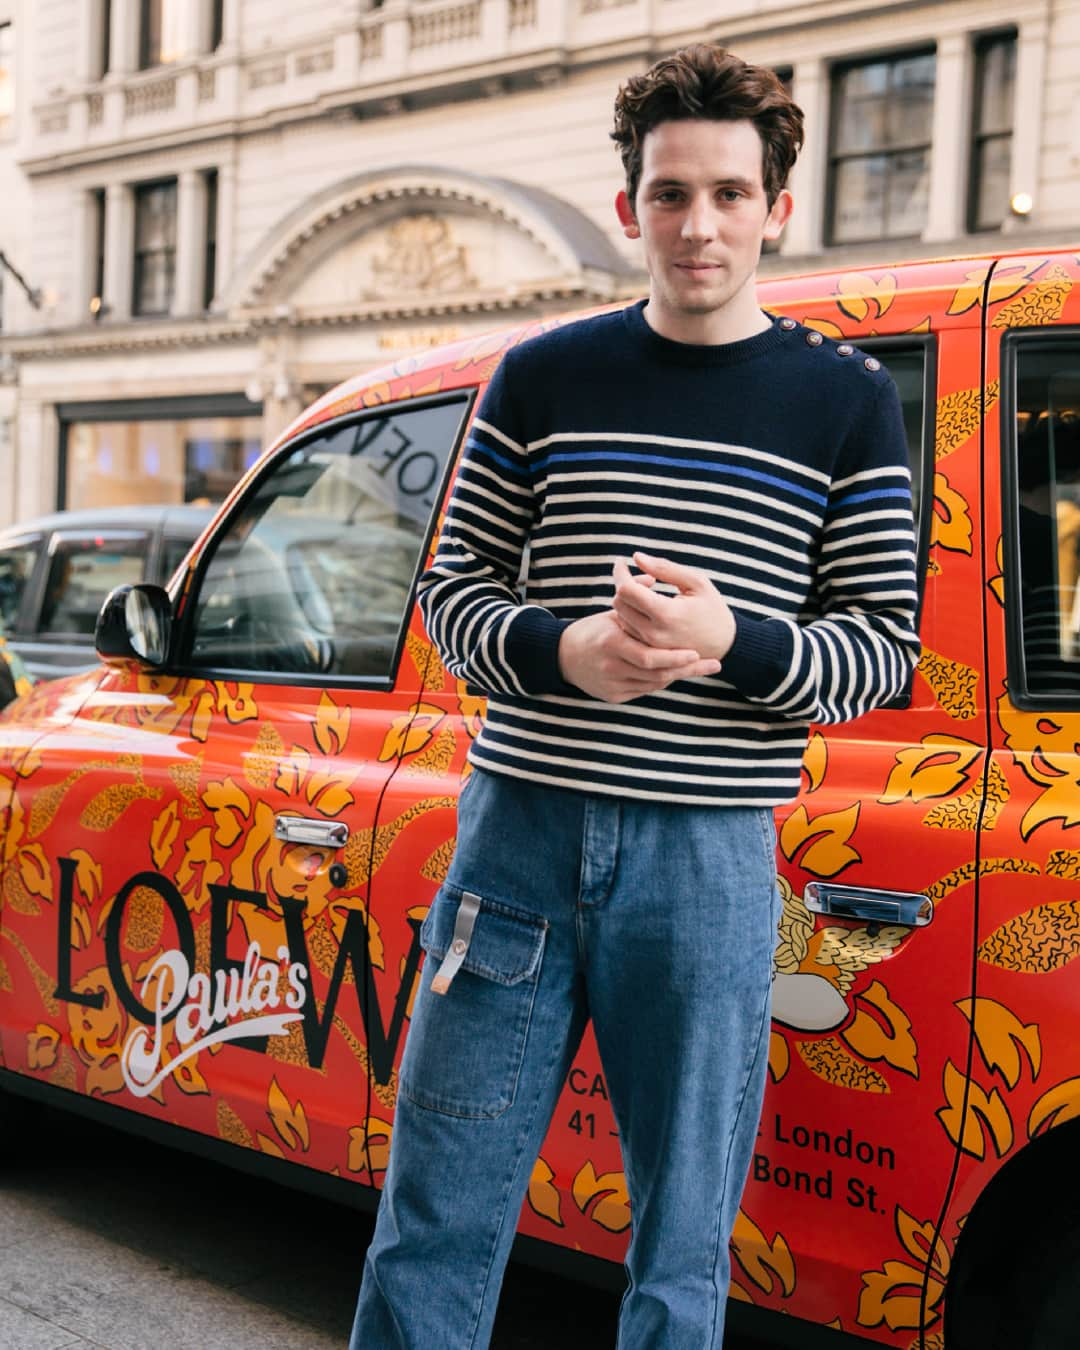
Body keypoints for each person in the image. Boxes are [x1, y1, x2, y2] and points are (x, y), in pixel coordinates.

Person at [349, 43, 920, 1349]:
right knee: (432, 1214)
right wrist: (567, 654)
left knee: (680, 1250)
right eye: (672, 193)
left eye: (730, 193)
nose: (699, 225)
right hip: (519, 841)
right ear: (629, 208)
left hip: (710, 860)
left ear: (780, 206)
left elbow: (883, 650)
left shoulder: (845, 403)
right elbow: (451, 596)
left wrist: (733, 640)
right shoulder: (541, 376)